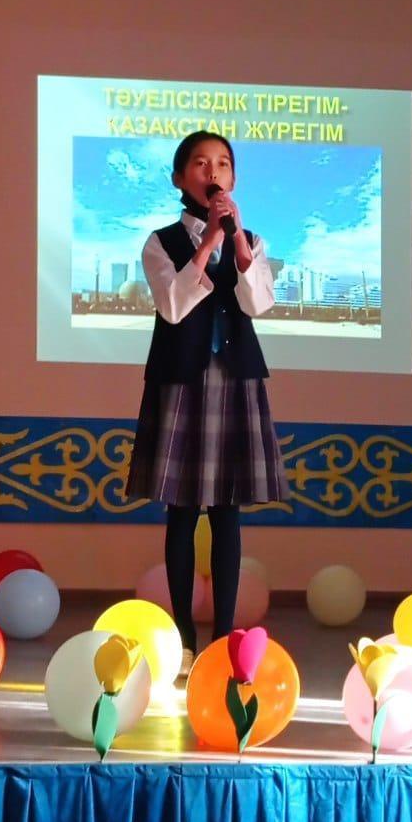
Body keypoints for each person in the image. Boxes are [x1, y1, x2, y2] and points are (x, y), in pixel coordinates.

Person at [126, 131, 289, 677]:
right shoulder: (160, 242)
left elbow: (258, 304)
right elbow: (173, 307)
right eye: (199, 163)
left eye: (222, 163)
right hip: (182, 382)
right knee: (181, 511)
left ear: (233, 179)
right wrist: (207, 242)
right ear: (180, 178)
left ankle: (223, 637)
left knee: (227, 512)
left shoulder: (253, 241)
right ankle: (182, 638)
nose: (212, 172)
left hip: (235, 381)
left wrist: (237, 246)